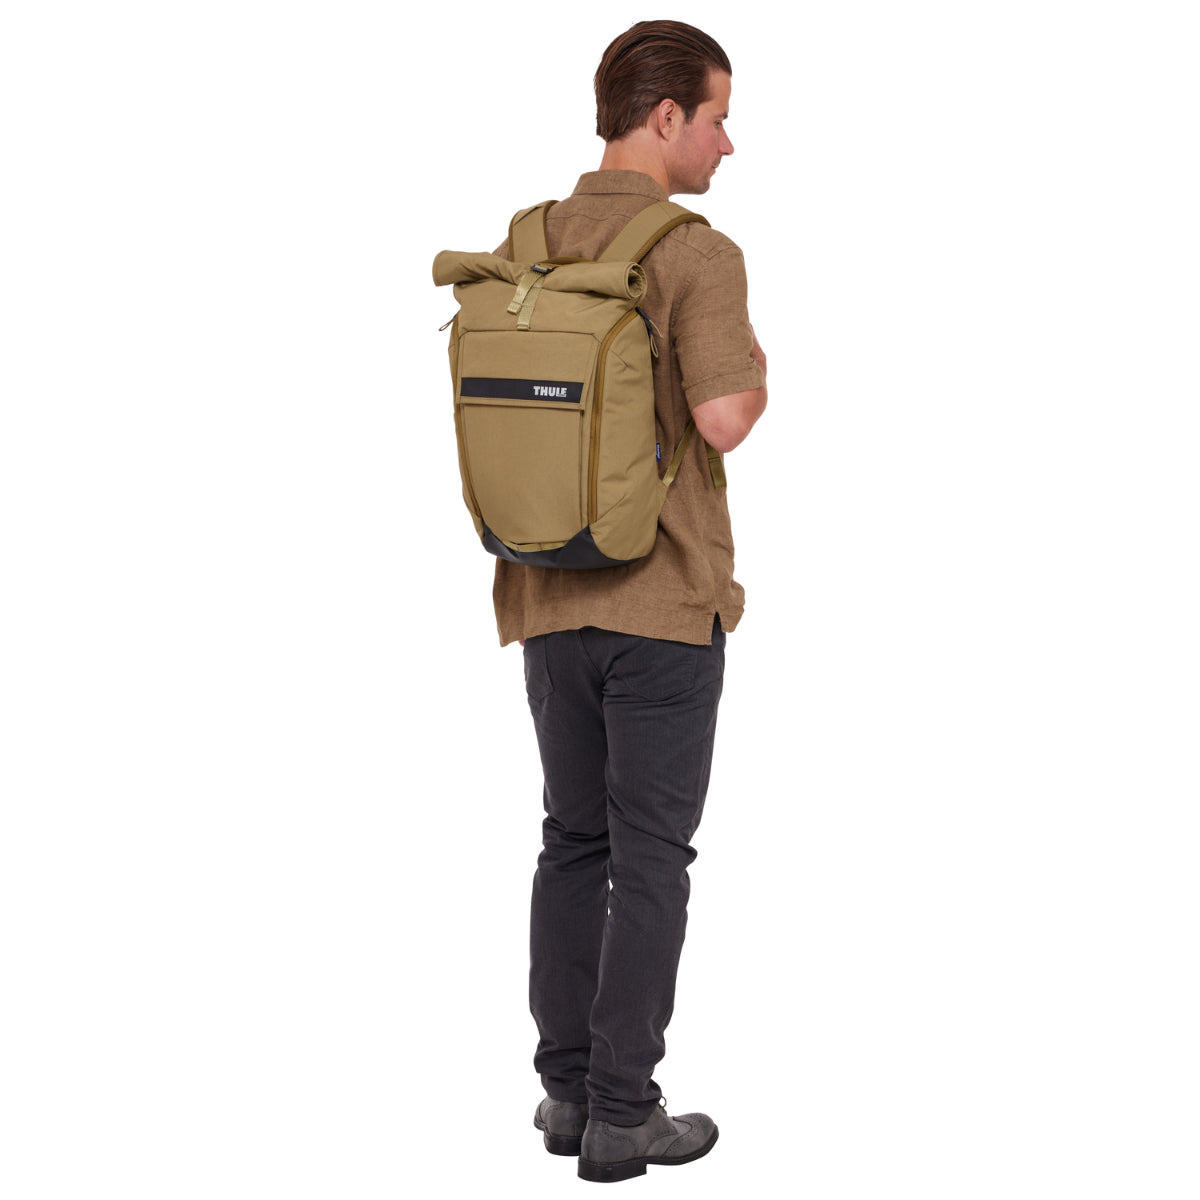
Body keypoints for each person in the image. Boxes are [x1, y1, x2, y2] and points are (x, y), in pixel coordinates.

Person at [493, 20, 767, 1183]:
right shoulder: (697, 251)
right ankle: (623, 1113)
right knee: (651, 859)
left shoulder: (528, 240)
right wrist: (759, 374)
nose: (727, 143)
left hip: (546, 591)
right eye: (716, 118)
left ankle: (565, 1094)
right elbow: (723, 419)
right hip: (660, 603)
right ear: (664, 118)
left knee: (571, 842)